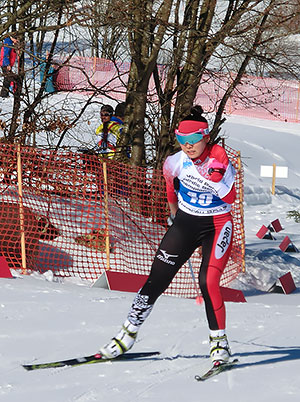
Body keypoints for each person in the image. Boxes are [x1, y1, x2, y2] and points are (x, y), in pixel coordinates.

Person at [99, 105, 237, 365]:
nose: (188, 146)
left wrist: (215, 178)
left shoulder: (219, 159)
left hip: (217, 225)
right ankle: (126, 334)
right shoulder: (175, 161)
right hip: (185, 223)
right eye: (182, 140)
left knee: (208, 282)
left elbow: (230, 197)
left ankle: (219, 344)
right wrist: (173, 212)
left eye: (194, 140)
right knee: (156, 279)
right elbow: (169, 186)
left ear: (206, 136)